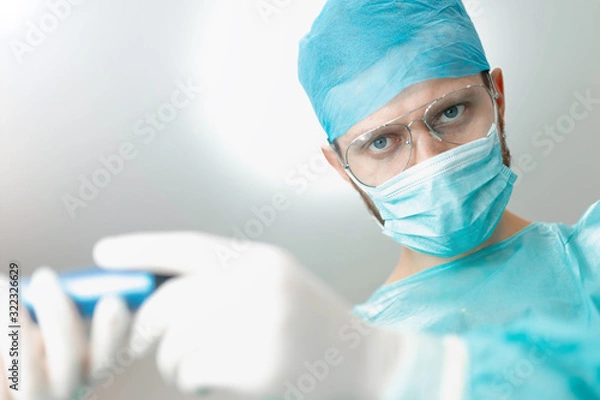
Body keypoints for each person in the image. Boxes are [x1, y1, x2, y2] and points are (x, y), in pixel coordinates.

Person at [2, 0, 599, 399]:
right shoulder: (322, 360)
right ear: (340, 167)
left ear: (496, 96)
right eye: (383, 142)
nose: (431, 161)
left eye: (451, 112)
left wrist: (396, 374)